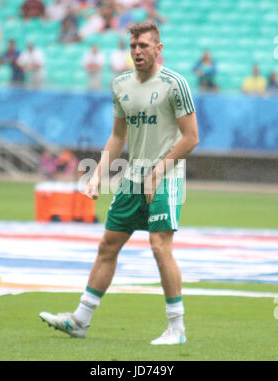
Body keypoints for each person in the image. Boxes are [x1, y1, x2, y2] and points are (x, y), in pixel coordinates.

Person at [39, 21, 199, 346]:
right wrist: (98, 175)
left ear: (158, 48)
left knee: (159, 247)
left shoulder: (175, 84)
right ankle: (80, 320)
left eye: (143, 45)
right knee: (107, 245)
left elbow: (191, 137)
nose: (137, 51)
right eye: (133, 46)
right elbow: (118, 136)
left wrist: (158, 171)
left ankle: (176, 328)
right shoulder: (121, 84)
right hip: (132, 177)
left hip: (166, 177)